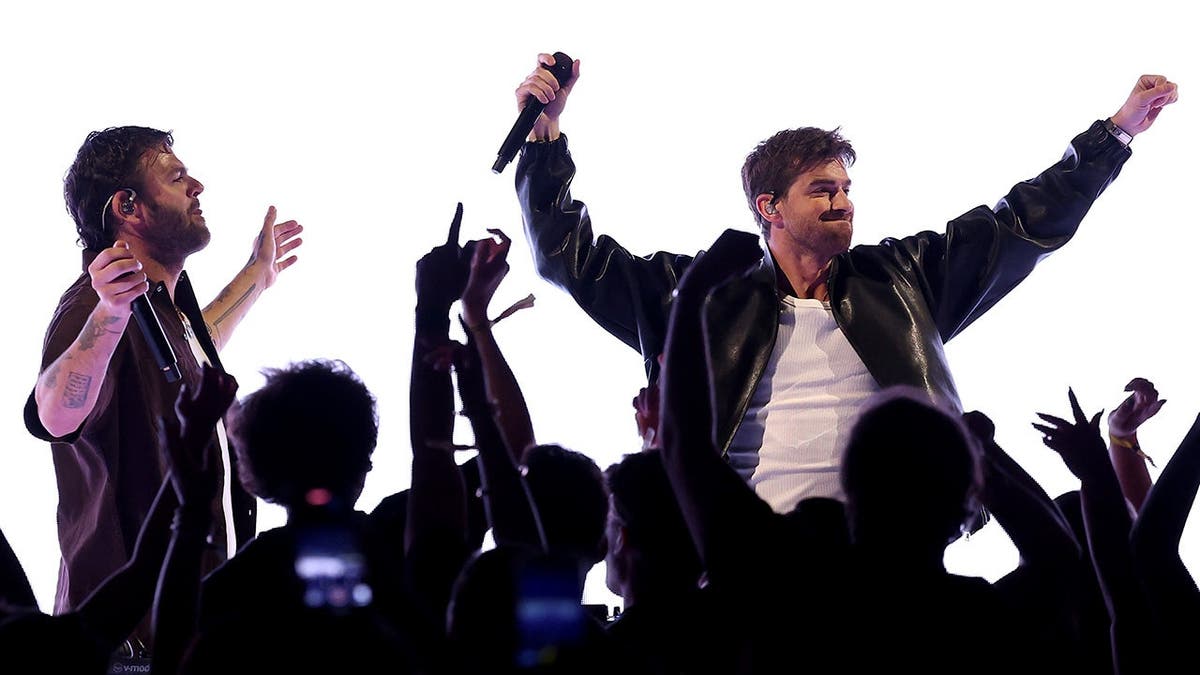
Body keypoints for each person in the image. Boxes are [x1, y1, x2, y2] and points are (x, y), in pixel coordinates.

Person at [513, 53, 1177, 513]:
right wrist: (543, 140)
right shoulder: (700, 297)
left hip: (885, 560)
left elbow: (1021, 223)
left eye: (846, 188)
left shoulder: (904, 279)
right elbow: (571, 258)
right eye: (822, 189)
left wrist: (1115, 133)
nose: (843, 202)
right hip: (746, 559)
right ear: (770, 207)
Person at [23, 125, 304, 650]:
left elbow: (195, 344)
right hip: (130, 642)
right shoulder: (96, 305)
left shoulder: (159, 309)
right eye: (176, 178)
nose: (197, 186)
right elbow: (55, 415)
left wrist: (257, 275)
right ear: (128, 206)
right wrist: (109, 312)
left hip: (175, 626)